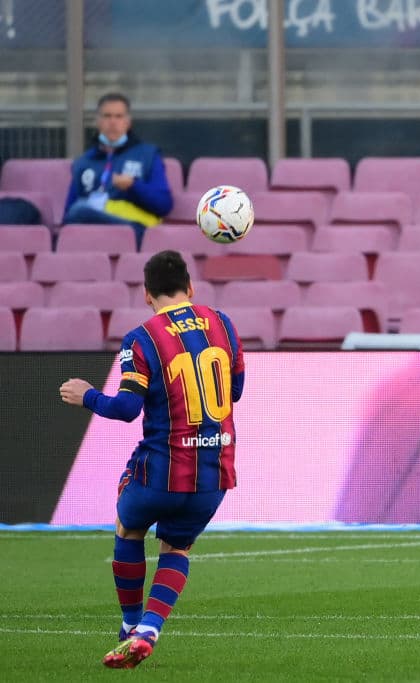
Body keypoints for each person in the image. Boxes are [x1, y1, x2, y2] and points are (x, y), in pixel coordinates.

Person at [59, 250, 244, 669]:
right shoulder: (224, 325)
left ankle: (129, 626)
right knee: (177, 545)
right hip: (214, 474)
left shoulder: (142, 338)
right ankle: (150, 629)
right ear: (191, 288)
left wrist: (86, 395)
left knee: (129, 527)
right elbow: (235, 391)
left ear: (147, 295)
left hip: (161, 470)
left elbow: (126, 409)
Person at [63, 92, 173, 248]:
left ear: (128, 122)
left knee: (80, 210)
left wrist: (134, 186)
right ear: (98, 122)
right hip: (92, 233)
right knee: (78, 211)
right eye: (107, 116)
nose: (113, 122)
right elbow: (68, 213)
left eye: (119, 116)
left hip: (135, 228)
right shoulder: (84, 162)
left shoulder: (148, 155)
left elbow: (164, 205)